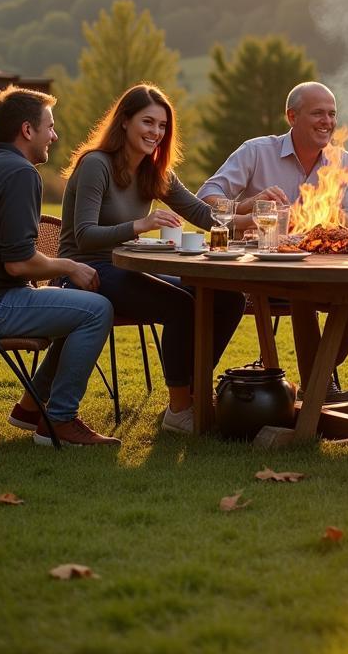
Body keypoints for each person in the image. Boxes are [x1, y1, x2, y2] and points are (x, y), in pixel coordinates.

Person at [0, 86, 118, 447]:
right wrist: (69, 265)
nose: (55, 135)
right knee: (97, 310)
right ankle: (59, 421)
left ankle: (31, 410)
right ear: (27, 130)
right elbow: (18, 263)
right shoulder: (19, 173)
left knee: (76, 301)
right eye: (49, 126)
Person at [59, 83, 245, 434]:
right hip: (87, 269)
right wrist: (140, 225)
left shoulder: (154, 170)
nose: (156, 133)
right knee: (180, 305)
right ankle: (179, 411)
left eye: (162, 126)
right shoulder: (96, 165)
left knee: (228, 299)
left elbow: (202, 213)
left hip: (127, 267)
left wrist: (251, 222)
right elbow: (84, 235)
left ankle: (194, 393)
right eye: (148, 122)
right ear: (124, 122)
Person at [197, 81, 348, 400]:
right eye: (318, 113)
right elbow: (206, 198)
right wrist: (250, 204)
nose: (327, 122)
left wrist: (318, 211)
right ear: (292, 116)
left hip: (322, 266)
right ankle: (321, 388)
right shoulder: (257, 151)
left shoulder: (343, 162)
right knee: (299, 287)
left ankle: (318, 375)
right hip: (260, 270)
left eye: (332, 114)